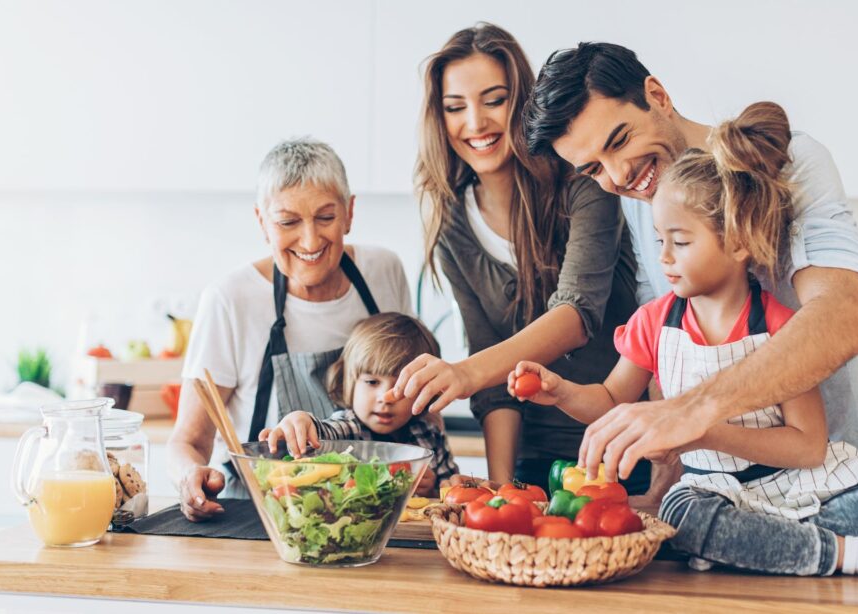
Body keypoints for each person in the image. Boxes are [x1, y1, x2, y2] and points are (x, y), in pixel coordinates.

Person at [510, 102, 858, 591]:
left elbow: (809, 447)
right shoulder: (653, 323)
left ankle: (758, 545)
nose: (663, 258)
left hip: (800, 485)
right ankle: (851, 554)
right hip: (717, 494)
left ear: (739, 241)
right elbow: (610, 400)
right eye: (659, 240)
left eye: (680, 242)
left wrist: (703, 430)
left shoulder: (782, 329)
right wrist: (560, 392)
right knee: (684, 513)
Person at [524, 42, 858, 485]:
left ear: (657, 95)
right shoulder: (643, 199)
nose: (618, 177)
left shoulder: (793, 162)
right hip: (716, 488)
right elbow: (663, 355)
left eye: (619, 141)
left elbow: (847, 317)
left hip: (830, 478)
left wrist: (693, 413)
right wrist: (665, 482)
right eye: (593, 169)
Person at [387, 24, 645, 492]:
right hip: (534, 461)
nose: (475, 122)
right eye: (455, 107)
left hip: (624, 448)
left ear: (522, 103)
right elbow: (490, 376)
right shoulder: (451, 223)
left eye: (494, 100)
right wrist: (504, 490)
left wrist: (464, 373)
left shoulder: (584, 180)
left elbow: (576, 315)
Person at [168, 138, 413, 521]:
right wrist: (189, 478)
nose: (311, 240)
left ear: (350, 213)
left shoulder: (384, 272)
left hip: (370, 514)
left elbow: (417, 399)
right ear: (262, 222)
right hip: (261, 518)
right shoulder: (230, 299)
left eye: (326, 217)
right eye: (288, 222)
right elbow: (188, 440)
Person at [257, 312, 459, 497]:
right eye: (372, 382)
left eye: (401, 387)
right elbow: (323, 432)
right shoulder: (348, 427)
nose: (385, 398)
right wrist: (301, 420)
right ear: (349, 382)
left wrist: (433, 489)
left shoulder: (430, 434)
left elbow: (452, 492)